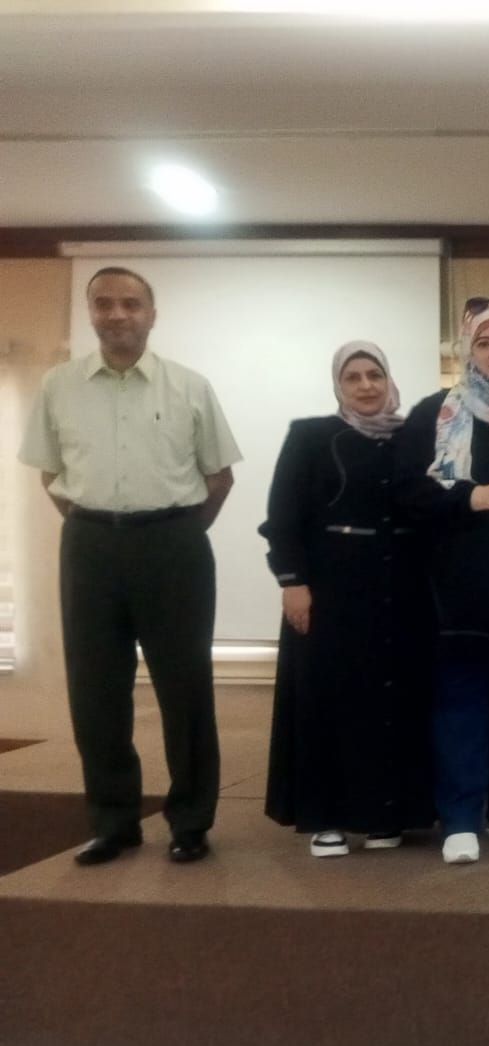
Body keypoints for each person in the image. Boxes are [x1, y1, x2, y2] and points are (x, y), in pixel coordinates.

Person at [19, 265, 240, 866]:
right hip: (89, 544)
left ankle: (190, 821)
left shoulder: (189, 386)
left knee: (185, 690)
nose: (117, 314)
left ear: (151, 314)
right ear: (91, 312)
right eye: (104, 304)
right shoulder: (59, 386)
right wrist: (98, 527)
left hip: (173, 544)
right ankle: (113, 823)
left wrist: (174, 534)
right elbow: (50, 473)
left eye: (130, 304)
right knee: (95, 692)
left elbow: (219, 478)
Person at [260, 341, 434, 857]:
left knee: (392, 701)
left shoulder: (412, 436)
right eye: (352, 377)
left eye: (374, 374)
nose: (365, 385)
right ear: (338, 385)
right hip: (332, 591)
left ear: (388, 379)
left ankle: (385, 815)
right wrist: (292, 582)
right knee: (329, 700)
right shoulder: (311, 436)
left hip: (401, 590)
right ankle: (326, 818)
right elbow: (283, 516)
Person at [395, 298, 489, 865]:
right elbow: (407, 494)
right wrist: (480, 496)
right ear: (467, 352)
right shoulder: (435, 413)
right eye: (485, 343)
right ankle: (460, 818)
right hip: (454, 589)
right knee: (460, 704)